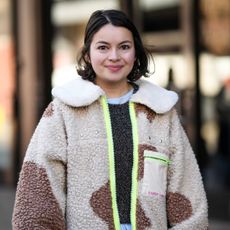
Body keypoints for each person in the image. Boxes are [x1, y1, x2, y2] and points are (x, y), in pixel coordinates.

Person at [12, 9, 208, 230]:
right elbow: (37, 197)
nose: (114, 56)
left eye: (124, 47)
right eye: (103, 47)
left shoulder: (160, 110)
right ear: (87, 54)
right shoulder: (64, 110)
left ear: (135, 53)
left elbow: (188, 195)